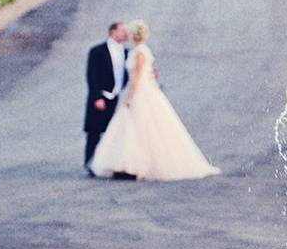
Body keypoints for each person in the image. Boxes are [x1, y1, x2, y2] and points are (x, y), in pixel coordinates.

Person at [90, 20, 221, 181]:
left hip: (139, 93)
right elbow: (146, 72)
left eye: (129, 33)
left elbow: (137, 77)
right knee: (133, 128)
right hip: (136, 90)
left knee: (139, 127)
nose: (127, 36)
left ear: (134, 35)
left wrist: (130, 97)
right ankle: (126, 165)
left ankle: (134, 165)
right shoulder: (137, 51)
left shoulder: (139, 52)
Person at [84, 21, 129, 175]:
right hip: (101, 97)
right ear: (113, 32)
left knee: (114, 132)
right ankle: (89, 164)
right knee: (94, 132)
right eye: (122, 31)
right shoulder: (97, 51)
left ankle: (111, 164)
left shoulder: (127, 52)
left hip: (117, 97)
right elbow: (92, 76)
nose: (125, 34)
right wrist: (97, 97)